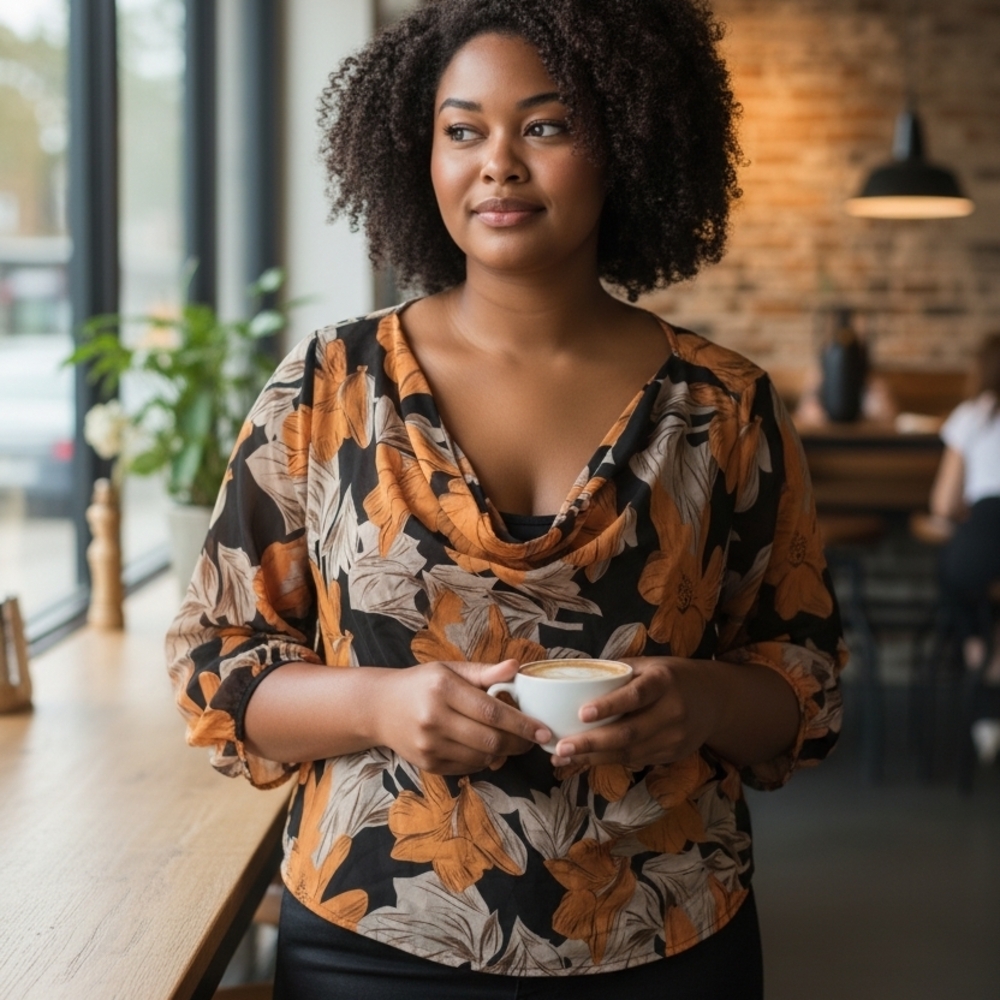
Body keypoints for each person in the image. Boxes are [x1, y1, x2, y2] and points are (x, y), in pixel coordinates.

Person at [166, 2, 846, 997]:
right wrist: (381, 702)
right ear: (419, 153)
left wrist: (696, 700)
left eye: (546, 125)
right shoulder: (328, 384)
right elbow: (212, 666)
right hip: (373, 939)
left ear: (624, 142)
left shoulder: (723, 406)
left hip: (665, 940)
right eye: (462, 129)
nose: (499, 163)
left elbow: (805, 684)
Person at [930, 332, 1000, 763]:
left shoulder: (974, 415)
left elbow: (942, 503)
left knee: (956, 580)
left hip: (986, 530)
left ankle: (982, 667)